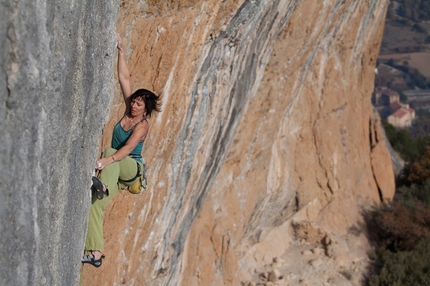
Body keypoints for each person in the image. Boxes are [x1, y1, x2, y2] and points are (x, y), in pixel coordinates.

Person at [82, 34, 161, 267]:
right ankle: (95, 254)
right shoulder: (128, 109)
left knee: (110, 152)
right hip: (114, 168)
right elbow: (124, 77)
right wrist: (121, 51)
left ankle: (103, 185)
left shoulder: (142, 125)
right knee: (95, 205)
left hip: (130, 167)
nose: (134, 105)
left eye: (139, 104)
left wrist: (107, 161)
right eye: (134, 101)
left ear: (145, 109)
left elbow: (127, 149)